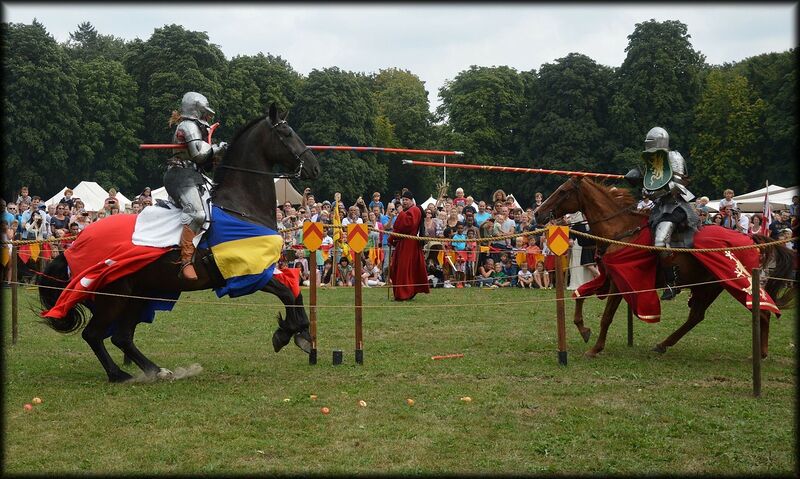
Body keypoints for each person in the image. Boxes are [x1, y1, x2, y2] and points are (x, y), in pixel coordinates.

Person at [626, 126, 699, 300]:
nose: (649, 146)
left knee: (660, 241)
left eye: (650, 143)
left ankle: (672, 283)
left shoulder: (673, 157)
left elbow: (678, 186)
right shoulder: (653, 160)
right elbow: (652, 182)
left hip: (676, 206)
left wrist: (652, 193)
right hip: (659, 207)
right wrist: (643, 187)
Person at [165, 91, 227, 280]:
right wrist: (218, 148)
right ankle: (185, 261)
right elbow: (198, 155)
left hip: (192, 175)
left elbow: (203, 161)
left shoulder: (195, 127)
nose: (207, 116)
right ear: (196, 110)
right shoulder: (188, 126)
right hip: (180, 176)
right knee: (197, 213)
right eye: (204, 112)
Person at [388, 190, 430, 301]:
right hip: (403, 243)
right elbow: (398, 227)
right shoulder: (408, 211)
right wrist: (392, 238)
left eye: (406, 200)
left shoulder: (414, 210)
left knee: (404, 268)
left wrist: (401, 213)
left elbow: (407, 225)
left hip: (409, 244)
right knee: (397, 268)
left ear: (411, 201)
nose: (404, 202)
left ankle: (404, 293)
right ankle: (401, 292)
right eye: (403, 200)